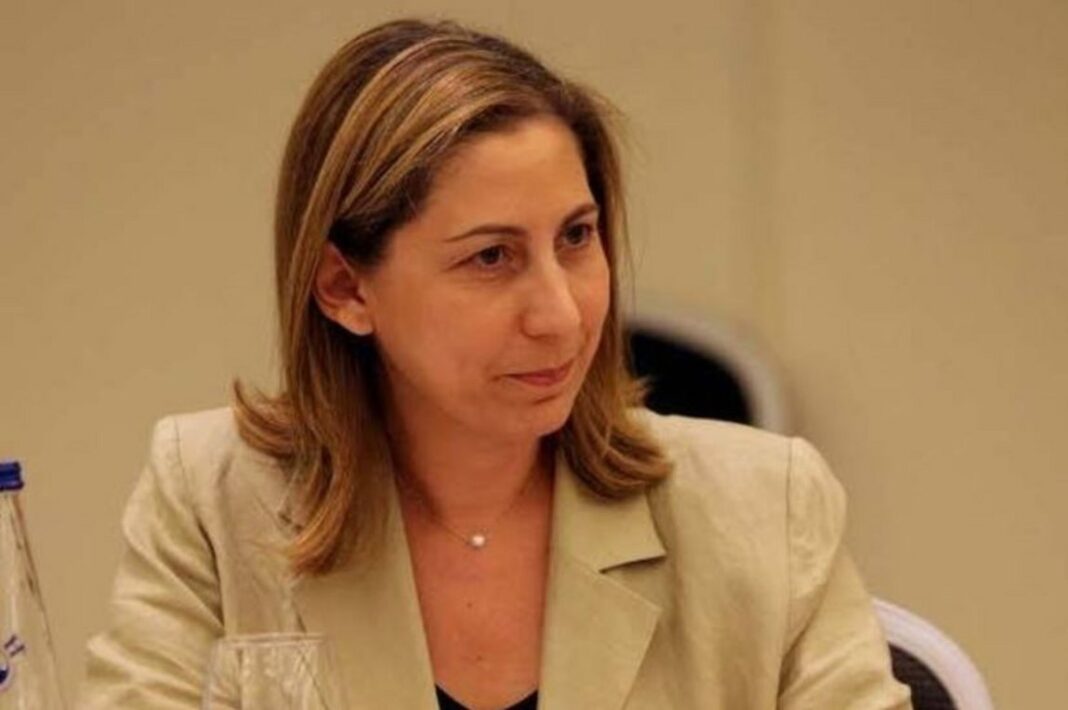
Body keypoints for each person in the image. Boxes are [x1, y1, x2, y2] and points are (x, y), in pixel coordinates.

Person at [79, 18, 912, 710]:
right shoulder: (212, 500)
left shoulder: (769, 508)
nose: (561, 316)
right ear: (345, 287)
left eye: (576, 238)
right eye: (491, 257)